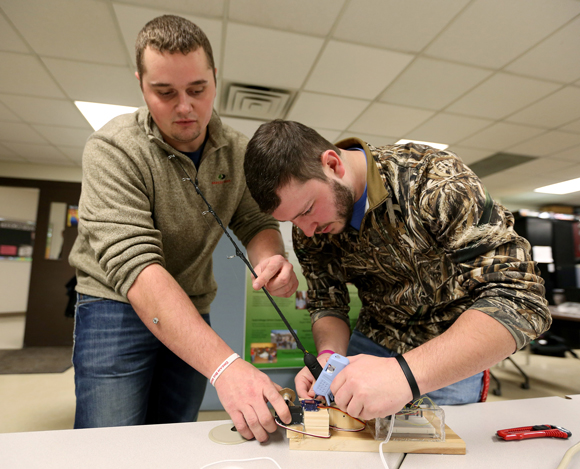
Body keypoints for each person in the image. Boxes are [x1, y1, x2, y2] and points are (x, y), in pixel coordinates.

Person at [68, 16, 298, 442]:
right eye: (165, 92)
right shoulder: (112, 149)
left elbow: (255, 219)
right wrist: (227, 367)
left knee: (173, 432)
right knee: (107, 440)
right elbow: (135, 266)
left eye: (197, 89)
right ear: (141, 85)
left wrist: (271, 259)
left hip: (192, 303)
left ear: (215, 79)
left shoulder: (240, 150)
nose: (185, 107)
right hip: (113, 304)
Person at [243, 119, 551, 420]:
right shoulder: (310, 229)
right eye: (293, 221)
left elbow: (520, 301)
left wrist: (405, 374)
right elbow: (328, 303)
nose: (307, 232)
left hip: (449, 354)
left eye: (307, 210)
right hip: (369, 344)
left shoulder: (433, 181)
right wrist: (329, 360)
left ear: (333, 164)